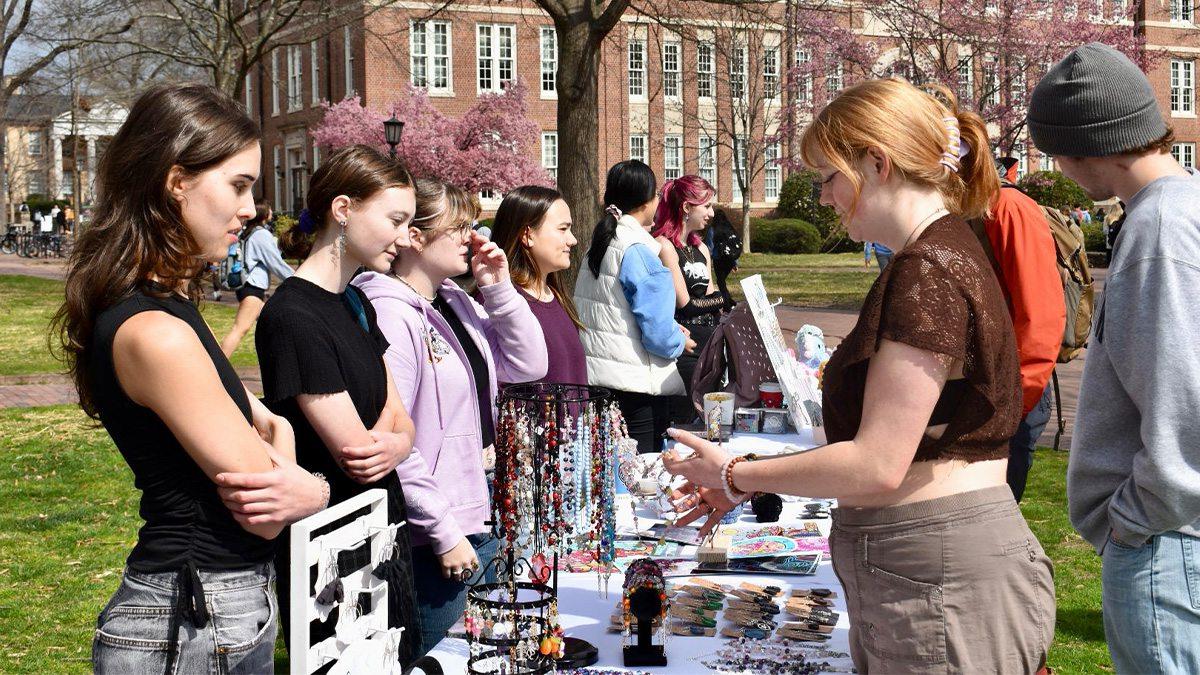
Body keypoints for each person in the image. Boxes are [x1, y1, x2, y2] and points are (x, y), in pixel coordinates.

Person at [664, 78, 1054, 673]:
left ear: (877, 163)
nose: (821, 197)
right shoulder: (932, 256)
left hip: (937, 571)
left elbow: (878, 462)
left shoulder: (927, 270)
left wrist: (739, 473)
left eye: (827, 176)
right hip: (927, 566)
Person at [53, 83, 327, 674]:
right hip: (189, 617)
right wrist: (303, 470)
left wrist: (278, 450)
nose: (252, 208)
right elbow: (269, 500)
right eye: (238, 184)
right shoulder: (155, 330)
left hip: (213, 608)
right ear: (177, 182)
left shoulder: (166, 306)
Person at [1028, 42, 1200, 672]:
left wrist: (1137, 518)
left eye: (1058, 154)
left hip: (1168, 541)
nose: (1061, 169)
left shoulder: (1162, 229)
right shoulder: (1177, 211)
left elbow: (1184, 401)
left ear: (1086, 147)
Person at [355, 178, 547, 653]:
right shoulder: (390, 312)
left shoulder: (454, 300)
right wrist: (441, 531)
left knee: (477, 653)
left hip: (475, 505)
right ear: (414, 237)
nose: (473, 235)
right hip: (432, 532)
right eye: (459, 225)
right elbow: (394, 437)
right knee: (441, 654)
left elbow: (528, 365)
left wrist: (498, 288)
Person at [256, 144, 422, 664]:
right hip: (332, 541)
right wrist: (397, 441)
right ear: (343, 209)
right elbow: (355, 450)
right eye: (395, 219)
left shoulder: (358, 300)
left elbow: (399, 415)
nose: (404, 236)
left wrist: (399, 441)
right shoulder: (293, 317)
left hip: (381, 522)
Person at [574, 160, 695, 453]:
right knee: (640, 479)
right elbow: (658, 335)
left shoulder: (601, 243)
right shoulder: (638, 251)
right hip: (637, 389)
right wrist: (680, 339)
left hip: (599, 381)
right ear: (646, 201)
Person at [979, 156, 1065, 502]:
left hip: (1010, 392)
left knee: (994, 514)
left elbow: (1040, 313)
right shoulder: (967, 206)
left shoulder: (1008, 206)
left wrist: (1016, 403)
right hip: (983, 389)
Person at [488, 184, 588, 385]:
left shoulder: (556, 295)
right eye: (562, 229)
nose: (573, 240)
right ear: (528, 235)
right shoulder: (499, 304)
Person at [652, 175, 724, 419]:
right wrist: (724, 300)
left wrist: (719, 301)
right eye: (706, 206)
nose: (711, 213)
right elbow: (686, 305)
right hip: (686, 348)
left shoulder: (702, 248)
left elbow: (713, 295)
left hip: (711, 345)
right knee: (687, 418)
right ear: (686, 207)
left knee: (713, 420)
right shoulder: (665, 246)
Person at [219, 201, 294, 356]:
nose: (272, 212)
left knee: (274, 327)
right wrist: (298, 279)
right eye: (270, 209)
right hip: (252, 288)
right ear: (264, 214)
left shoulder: (246, 232)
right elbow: (275, 263)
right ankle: (216, 368)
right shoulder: (260, 234)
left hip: (247, 287)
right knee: (239, 330)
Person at [705, 209, 742, 309]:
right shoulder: (730, 229)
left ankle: (727, 304)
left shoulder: (712, 229)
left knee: (720, 282)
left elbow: (709, 247)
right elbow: (733, 245)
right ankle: (729, 301)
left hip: (719, 260)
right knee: (721, 281)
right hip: (730, 260)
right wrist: (735, 263)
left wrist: (708, 261)